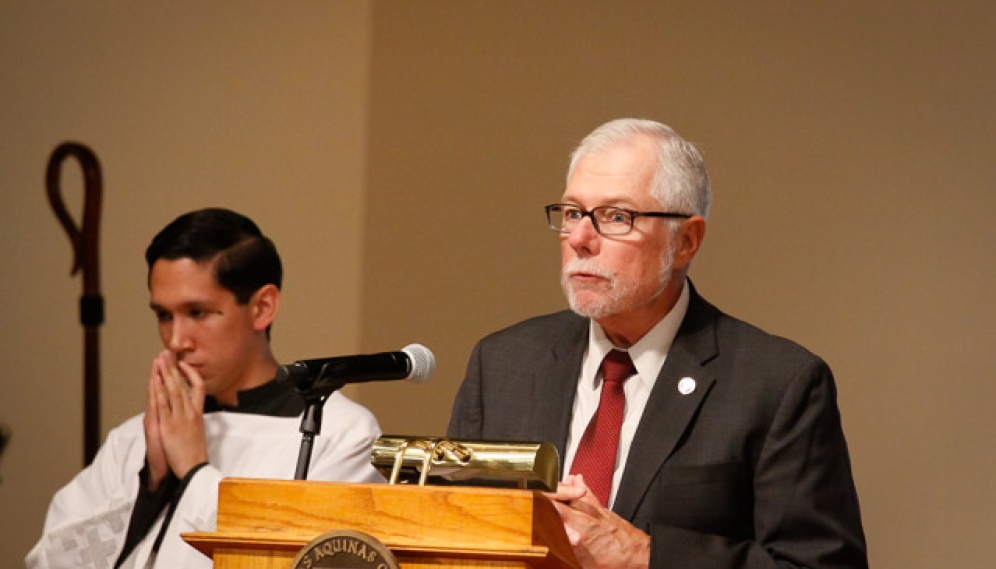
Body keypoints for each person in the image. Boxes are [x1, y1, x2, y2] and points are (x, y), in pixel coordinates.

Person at [448, 119, 867, 569]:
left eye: (615, 217)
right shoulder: (503, 365)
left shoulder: (778, 384)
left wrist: (645, 557)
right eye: (572, 213)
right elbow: (448, 536)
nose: (580, 240)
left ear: (687, 241)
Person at [26, 208, 384, 569]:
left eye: (197, 313)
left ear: (262, 307)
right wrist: (152, 486)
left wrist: (195, 471)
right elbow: (49, 562)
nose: (176, 340)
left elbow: (309, 562)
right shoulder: (135, 439)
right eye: (164, 316)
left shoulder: (342, 435)